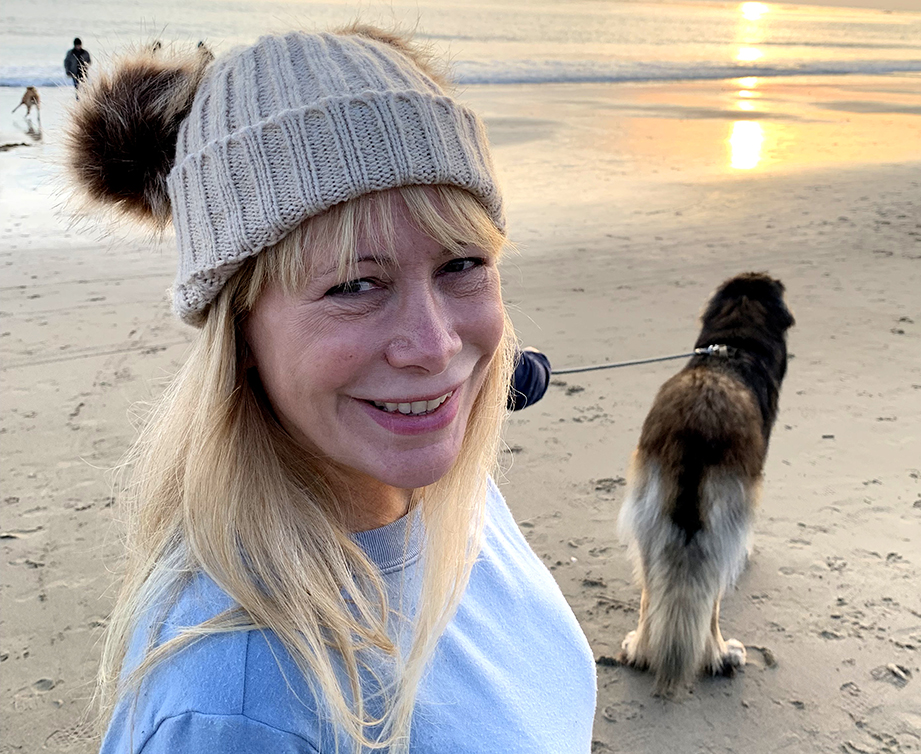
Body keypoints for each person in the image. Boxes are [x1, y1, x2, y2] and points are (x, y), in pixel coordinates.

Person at [66, 26, 596, 753]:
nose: (435, 345)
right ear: (242, 333)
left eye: (462, 264)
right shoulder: (241, 708)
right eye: (354, 284)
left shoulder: (428, 485)